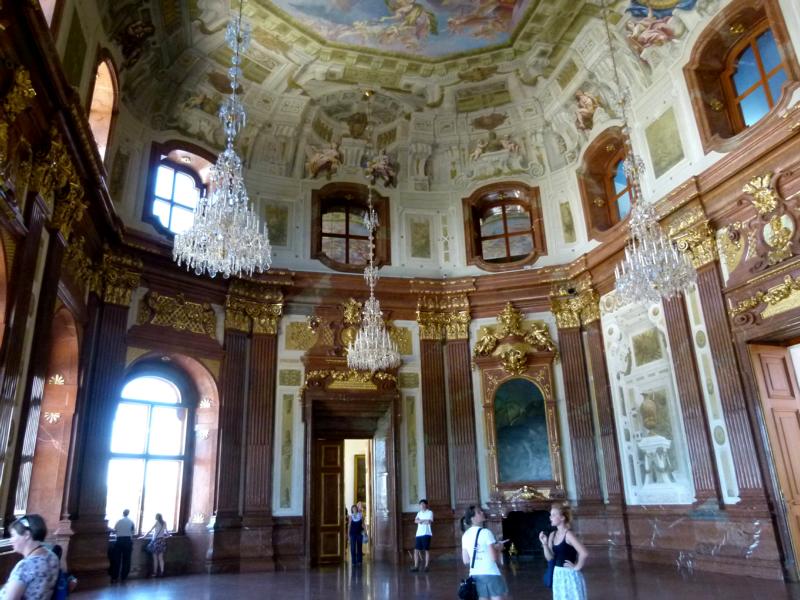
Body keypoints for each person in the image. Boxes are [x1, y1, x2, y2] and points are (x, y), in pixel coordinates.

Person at [0, 514, 59, 600]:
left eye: (13, 535)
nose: (10, 540)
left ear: (27, 535)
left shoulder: (25, 566)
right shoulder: (52, 556)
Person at [539, 502, 589, 600]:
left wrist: (576, 567)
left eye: (553, 515)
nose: (550, 517)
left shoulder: (568, 534)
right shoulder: (552, 535)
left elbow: (584, 553)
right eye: (550, 515)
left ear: (562, 518)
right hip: (558, 575)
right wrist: (544, 544)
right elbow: (550, 558)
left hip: (570, 575)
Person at [460, 505, 508, 600]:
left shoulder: (465, 535)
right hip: (491, 572)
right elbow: (493, 558)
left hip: (475, 574)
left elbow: (466, 560)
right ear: (473, 518)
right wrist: (499, 548)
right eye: (479, 512)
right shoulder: (486, 532)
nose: (482, 513)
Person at [110, 508, 135, 583]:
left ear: (123, 513)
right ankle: (124, 577)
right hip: (128, 541)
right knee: (127, 560)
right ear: (128, 513)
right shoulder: (131, 522)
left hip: (119, 540)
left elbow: (115, 531)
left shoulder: (119, 521)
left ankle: (114, 577)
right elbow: (133, 532)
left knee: (116, 559)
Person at [141, 513, 169, 577]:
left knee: (155, 558)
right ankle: (162, 572)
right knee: (161, 558)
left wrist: (144, 536)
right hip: (162, 541)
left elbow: (150, 530)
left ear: (157, 517)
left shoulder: (156, 522)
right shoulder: (164, 523)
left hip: (156, 541)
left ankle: (155, 572)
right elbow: (167, 532)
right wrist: (168, 535)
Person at [411, 498, 433, 572]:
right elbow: (415, 521)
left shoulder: (429, 512)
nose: (422, 505)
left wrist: (420, 521)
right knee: (416, 550)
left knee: (426, 550)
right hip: (419, 534)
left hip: (426, 533)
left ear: (426, 505)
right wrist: (423, 521)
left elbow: (429, 522)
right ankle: (416, 566)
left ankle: (426, 566)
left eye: (423, 504)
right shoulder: (419, 513)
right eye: (420, 504)